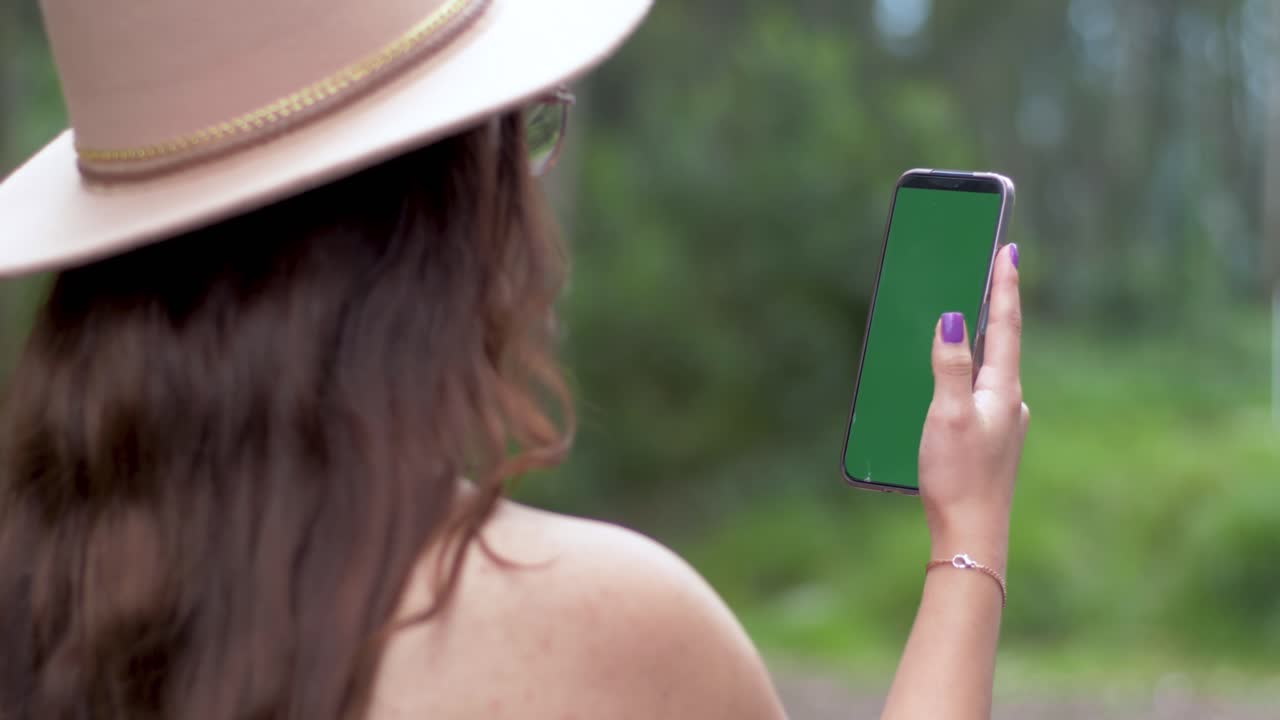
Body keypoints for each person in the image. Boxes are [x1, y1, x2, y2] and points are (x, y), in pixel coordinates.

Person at [0, 0, 1029, 717]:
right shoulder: (613, 631)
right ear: (444, 212)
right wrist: (968, 535)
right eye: (523, 134)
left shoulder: (40, 611)